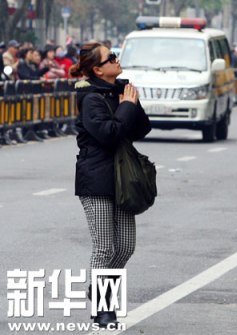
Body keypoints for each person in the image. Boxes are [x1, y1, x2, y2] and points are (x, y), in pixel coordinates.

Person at [69, 42, 151, 328]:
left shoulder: (120, 91)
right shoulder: (90, 99)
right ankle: (105, 307)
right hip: (97, 179)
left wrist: (132, 103)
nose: (117, 60)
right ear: (98, 69)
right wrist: (125, 107)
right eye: (111, 57)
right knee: (104, 247)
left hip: (123, 181)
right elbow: (109, 134)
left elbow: (141, 129)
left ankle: (98, 286)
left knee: (126, 246)